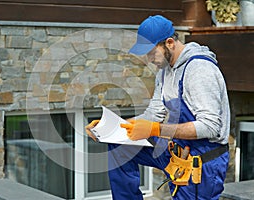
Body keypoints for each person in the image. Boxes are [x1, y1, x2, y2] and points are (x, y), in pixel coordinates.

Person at [85, 15, 230, 200]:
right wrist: (113, 127)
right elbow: (154, 113)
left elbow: (211, 127)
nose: (149, 59)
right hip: (176, 149)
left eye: (152, 52)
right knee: (119, 145)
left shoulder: (199, 70)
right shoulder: (164, 72)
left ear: (169, 43)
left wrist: (156, 129)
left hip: (203, 161)